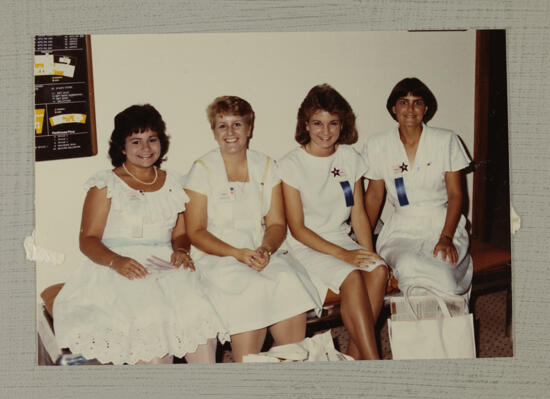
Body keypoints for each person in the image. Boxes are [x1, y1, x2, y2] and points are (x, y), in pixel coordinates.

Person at [53, 104, 228, 365]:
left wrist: (180, 250)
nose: (145, 148)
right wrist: (117, 261)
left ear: (161, 143)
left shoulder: (174, 183)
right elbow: (87, 239)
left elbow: (180, 233)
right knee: (151, 327)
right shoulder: (106, 184)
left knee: (198, 318)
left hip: (164, 265)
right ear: (122, 147)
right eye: (136, 141)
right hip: (117, 267)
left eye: (152, 139)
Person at [183, 96, 321, 362]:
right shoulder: (201, 169)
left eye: (237, 124)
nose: (230, 132)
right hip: (217, 255)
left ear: (249, 129)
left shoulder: (266, 166)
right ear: (213, 132)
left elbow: (277, 223)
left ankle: (290, 367)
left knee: (288, 282)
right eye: (222, 126)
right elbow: (196, 232)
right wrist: (236, 253)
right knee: (249, 289)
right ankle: (248, 368)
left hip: (260, 249)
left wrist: (266, 249)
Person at [278, 84, 388, 360]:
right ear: (305, 123)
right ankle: (374, 362)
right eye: (317, 123)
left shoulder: (349, 157)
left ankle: (353, 356)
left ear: (342, 124)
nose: (325, 132)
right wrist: (345, 255)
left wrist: (368, 251)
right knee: (351, 277)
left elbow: (358, 213)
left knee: (378, 271)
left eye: (333, 123)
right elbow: (298, 229)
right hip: (306, 246)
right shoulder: (291, 164)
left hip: (341, 239)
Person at [363, 77, 473, 299]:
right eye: (403, 102)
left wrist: (447, 237)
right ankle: (414, 331)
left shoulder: (446, 140)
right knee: (408, 264)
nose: (410, 109)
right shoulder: (378, 144)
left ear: (426, 108)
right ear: (393, 108)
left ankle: (446, 330)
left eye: (417, 102)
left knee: (444, 275)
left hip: (443, 224)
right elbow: (374, 196)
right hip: (401, 229)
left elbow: (455, 195)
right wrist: (364, 243)